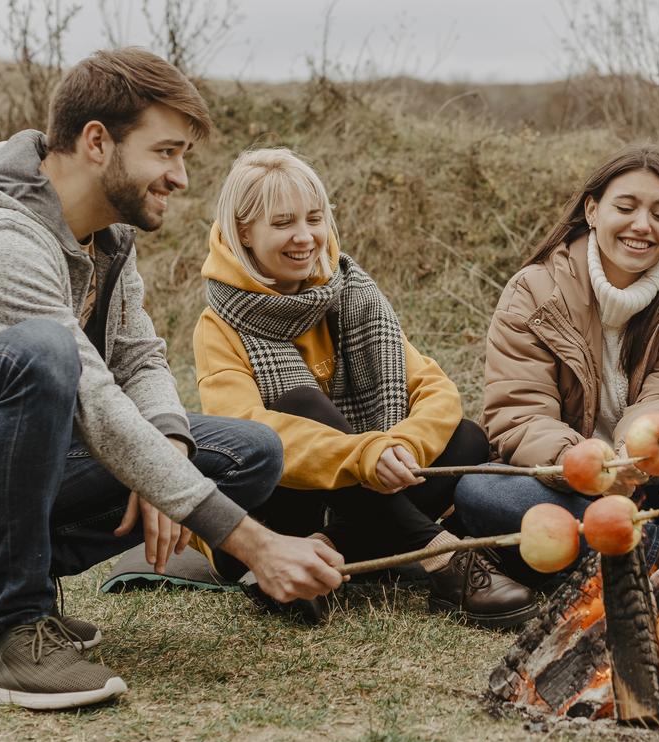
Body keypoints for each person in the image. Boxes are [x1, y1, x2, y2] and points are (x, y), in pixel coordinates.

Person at [0, 49, 346, 710]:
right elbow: (94, 398)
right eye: (166, 152)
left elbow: (138, 359)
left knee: (248, 454)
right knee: (43, 351)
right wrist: (254, 544)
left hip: (2, 459)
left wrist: (172, 448)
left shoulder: (102, 237)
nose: (182, 177)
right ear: (97, 142)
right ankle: (5, 641)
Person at [193, 148, 537, 630]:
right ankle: (444, 558)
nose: (305, 237)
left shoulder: (350, 292)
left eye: (315, 218)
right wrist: (361, 454)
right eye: (283, 223)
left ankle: (323, 555)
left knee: (466, 439)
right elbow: (248, 434)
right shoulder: (220, 324)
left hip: (344, 508)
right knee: (300, 404)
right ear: (244, 231)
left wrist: (396, 446)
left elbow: (434, 390)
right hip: (268, 514)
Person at [453, 146, 659, 589]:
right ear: (592, 210)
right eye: (626, 207)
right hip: (569, 486)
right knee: (478, 491)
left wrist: (630, 456)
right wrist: (584, 465)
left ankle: (624, 549)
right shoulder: (535, 291)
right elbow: (519, 415)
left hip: (654, 486)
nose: (643, 225)